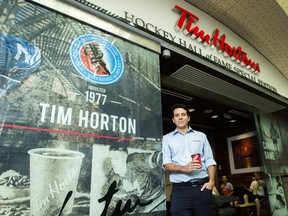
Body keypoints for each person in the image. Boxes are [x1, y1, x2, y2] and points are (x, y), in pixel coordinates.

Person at [162, 103, 217, 216]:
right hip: (180, 190)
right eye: (177, 115)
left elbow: (209, 160)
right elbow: (166, 164)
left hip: (201, 188)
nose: (180, 117)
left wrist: (211, 182)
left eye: (183, 114)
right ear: (173, 120)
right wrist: (184, 168)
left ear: (188, 117)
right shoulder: (166, 139)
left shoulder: (201, 136)